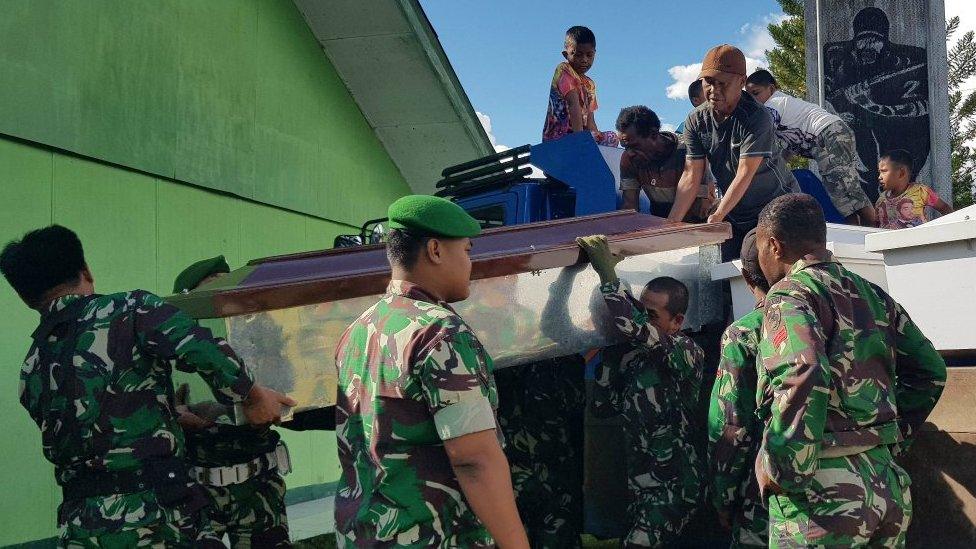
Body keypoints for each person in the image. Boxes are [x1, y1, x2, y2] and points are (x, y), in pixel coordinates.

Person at [0, 225, 293, 547]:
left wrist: (170, 418)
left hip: (81, 524)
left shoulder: (32, 364)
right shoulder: (130, 310)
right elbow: (199, 347)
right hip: (154, 518)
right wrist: (251, 397)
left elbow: (87, 428)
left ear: (25, 297)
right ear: (85, 270)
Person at [333, 195, 529, 548]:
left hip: (366, 534)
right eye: (467, 251)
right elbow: (474, 459)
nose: (471, 263)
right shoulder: (438, 332)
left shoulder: (359, 329)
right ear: (436, 250)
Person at [754, 194, 947, 547]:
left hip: (823, 495)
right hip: (887, 484)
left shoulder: (788, 296)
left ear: (774, 245)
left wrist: (783, 468)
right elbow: (931, 370)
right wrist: (892, 433)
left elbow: (803, 370)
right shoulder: (871, 294)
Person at [577, 235, 705, 547]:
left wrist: (609, 277)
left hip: (675, 486)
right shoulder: (631, 358)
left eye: (651, 315)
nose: (641, 319)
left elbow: (633, 327)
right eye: (641, 309)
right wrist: (610, 354)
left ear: (677, 321)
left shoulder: (686, 350)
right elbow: (602, 409)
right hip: (642, 485)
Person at [172, 256, 292, 548]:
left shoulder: (260, 346)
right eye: (214, 290)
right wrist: (173, 415)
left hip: (259, 490)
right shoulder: (169, 354)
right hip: (198, 493)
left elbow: (294, 399)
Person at [671, 44, 797, 261]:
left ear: (741, 82)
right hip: (736, 213)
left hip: (777, 208)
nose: (714, 90)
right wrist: (670, 225)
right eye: (708, 82)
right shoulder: (695, 121)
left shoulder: (757, 117)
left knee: (762, 262)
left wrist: (718, 215)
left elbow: (745, 173)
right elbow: (691, 174)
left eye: (723, 83)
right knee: (715, 265)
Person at [824, 6, 930, 202]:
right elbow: (826, 97)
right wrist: (840, 107)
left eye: (876, 41)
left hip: (896, 133)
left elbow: (923, 107)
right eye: (862, 40)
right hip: (858, 131)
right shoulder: (834, 56)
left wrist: (872, 106)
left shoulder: (911, 59)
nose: (868, 47)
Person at [745, 69, 876, 227]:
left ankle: (875, 227)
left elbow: (762, 130)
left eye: (756, 93)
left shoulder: (774, 103)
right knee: (837, 191)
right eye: (749, 96)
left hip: (829, 133)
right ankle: (853, 231)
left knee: (846, 185)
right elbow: (787, 151)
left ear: (771, 89)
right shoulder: (785, 114)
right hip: (828, 136)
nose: (753, 100)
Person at [707, 229, 771, 548]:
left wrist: (724, 497)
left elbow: (730, 428)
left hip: (769, 498)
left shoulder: (744, 334)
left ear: (746, 276)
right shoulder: (842, 312)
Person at [617, 105, 702, 218]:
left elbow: (699, 207)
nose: (630, 153)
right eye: (625, 147)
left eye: (634, 146)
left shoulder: (689, 151)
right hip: (663, 226)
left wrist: (669, 229)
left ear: (653, 135)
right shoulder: (629, 159)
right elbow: (630, 206)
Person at [542, 25, 618, 146]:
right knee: (587, 140)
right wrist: (580, 140)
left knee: (612, 138)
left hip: (582, 134)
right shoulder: (564, 70)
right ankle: (581, 144)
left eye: (589, 55)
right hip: (560, 136)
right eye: (577, 54)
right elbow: (574, 106)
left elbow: (590, 118)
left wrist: (596, 139)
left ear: (595, 54)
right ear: (566, 55)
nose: (584, 60)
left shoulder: (590, 84)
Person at [875, 149, 952, 229]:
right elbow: (876, 225)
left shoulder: (921, 191)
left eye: (884, 171)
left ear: (901, 173)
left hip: (919, 241)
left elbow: (945, 208)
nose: (879, 177)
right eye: (879, 172)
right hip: (888, 241)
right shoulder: (881, 200)